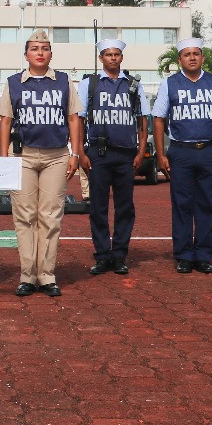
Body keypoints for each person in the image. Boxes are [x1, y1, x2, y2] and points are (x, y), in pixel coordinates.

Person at [0, 29, 83, 298]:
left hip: (56, 156)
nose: (40, 52)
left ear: (50, 54)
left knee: (50, 216)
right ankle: (27, 275)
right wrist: (3, 157)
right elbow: (5, 120)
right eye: (35, 48)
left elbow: (73, 118)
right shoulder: (13, 83)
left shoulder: (63, 82)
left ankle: (46, 275)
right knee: (25, 216)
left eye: (44, 48)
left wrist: (74, 154)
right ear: (26, 54)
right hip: (22, 156)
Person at [152, 38, 212, 273]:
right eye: (187, 54)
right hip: (181, 152)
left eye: (196, 53)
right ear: (179, 59)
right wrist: (161, 154)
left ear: (203, 57)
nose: (192, 58)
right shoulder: (169, 84)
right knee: (182, 204)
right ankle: (184, 255)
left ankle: (204, 255)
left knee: (208, 204)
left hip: (209, 150)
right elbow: (158, 119)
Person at [77, 38, 149, 275]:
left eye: (117, 54)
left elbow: (142, 120)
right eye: (108, 55)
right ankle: (101, 254)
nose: (113, 58)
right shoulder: (90, 84)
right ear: (101, 58)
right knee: (98, 206)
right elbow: (78, 120)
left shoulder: (134, 85)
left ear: (121, 57)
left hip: (126, 154)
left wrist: (140, 152)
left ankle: (119, 255)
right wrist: (79, 152)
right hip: (98, 153)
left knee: (125, 206)